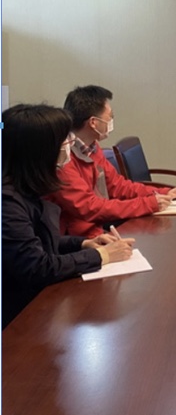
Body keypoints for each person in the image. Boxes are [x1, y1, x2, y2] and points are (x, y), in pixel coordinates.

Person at [2, 104, 135, 328]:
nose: (69, 146)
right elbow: (37, 267)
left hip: (40, 308)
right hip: (17, 318)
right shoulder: (7, 203)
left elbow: (42, 241)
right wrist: (101, 255)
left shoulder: (28, 187)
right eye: (64, 141)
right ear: (40, 151)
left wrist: (83, 243)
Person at [47, 85, 176, 237]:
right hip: (79, 238)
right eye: (109, 116)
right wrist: (149, 204)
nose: (111, 120)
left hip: (99, 227)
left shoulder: (92, 147)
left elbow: (118, 186)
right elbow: (89, 207)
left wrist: (161, 193)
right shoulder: (62, 158)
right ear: (93, 122)